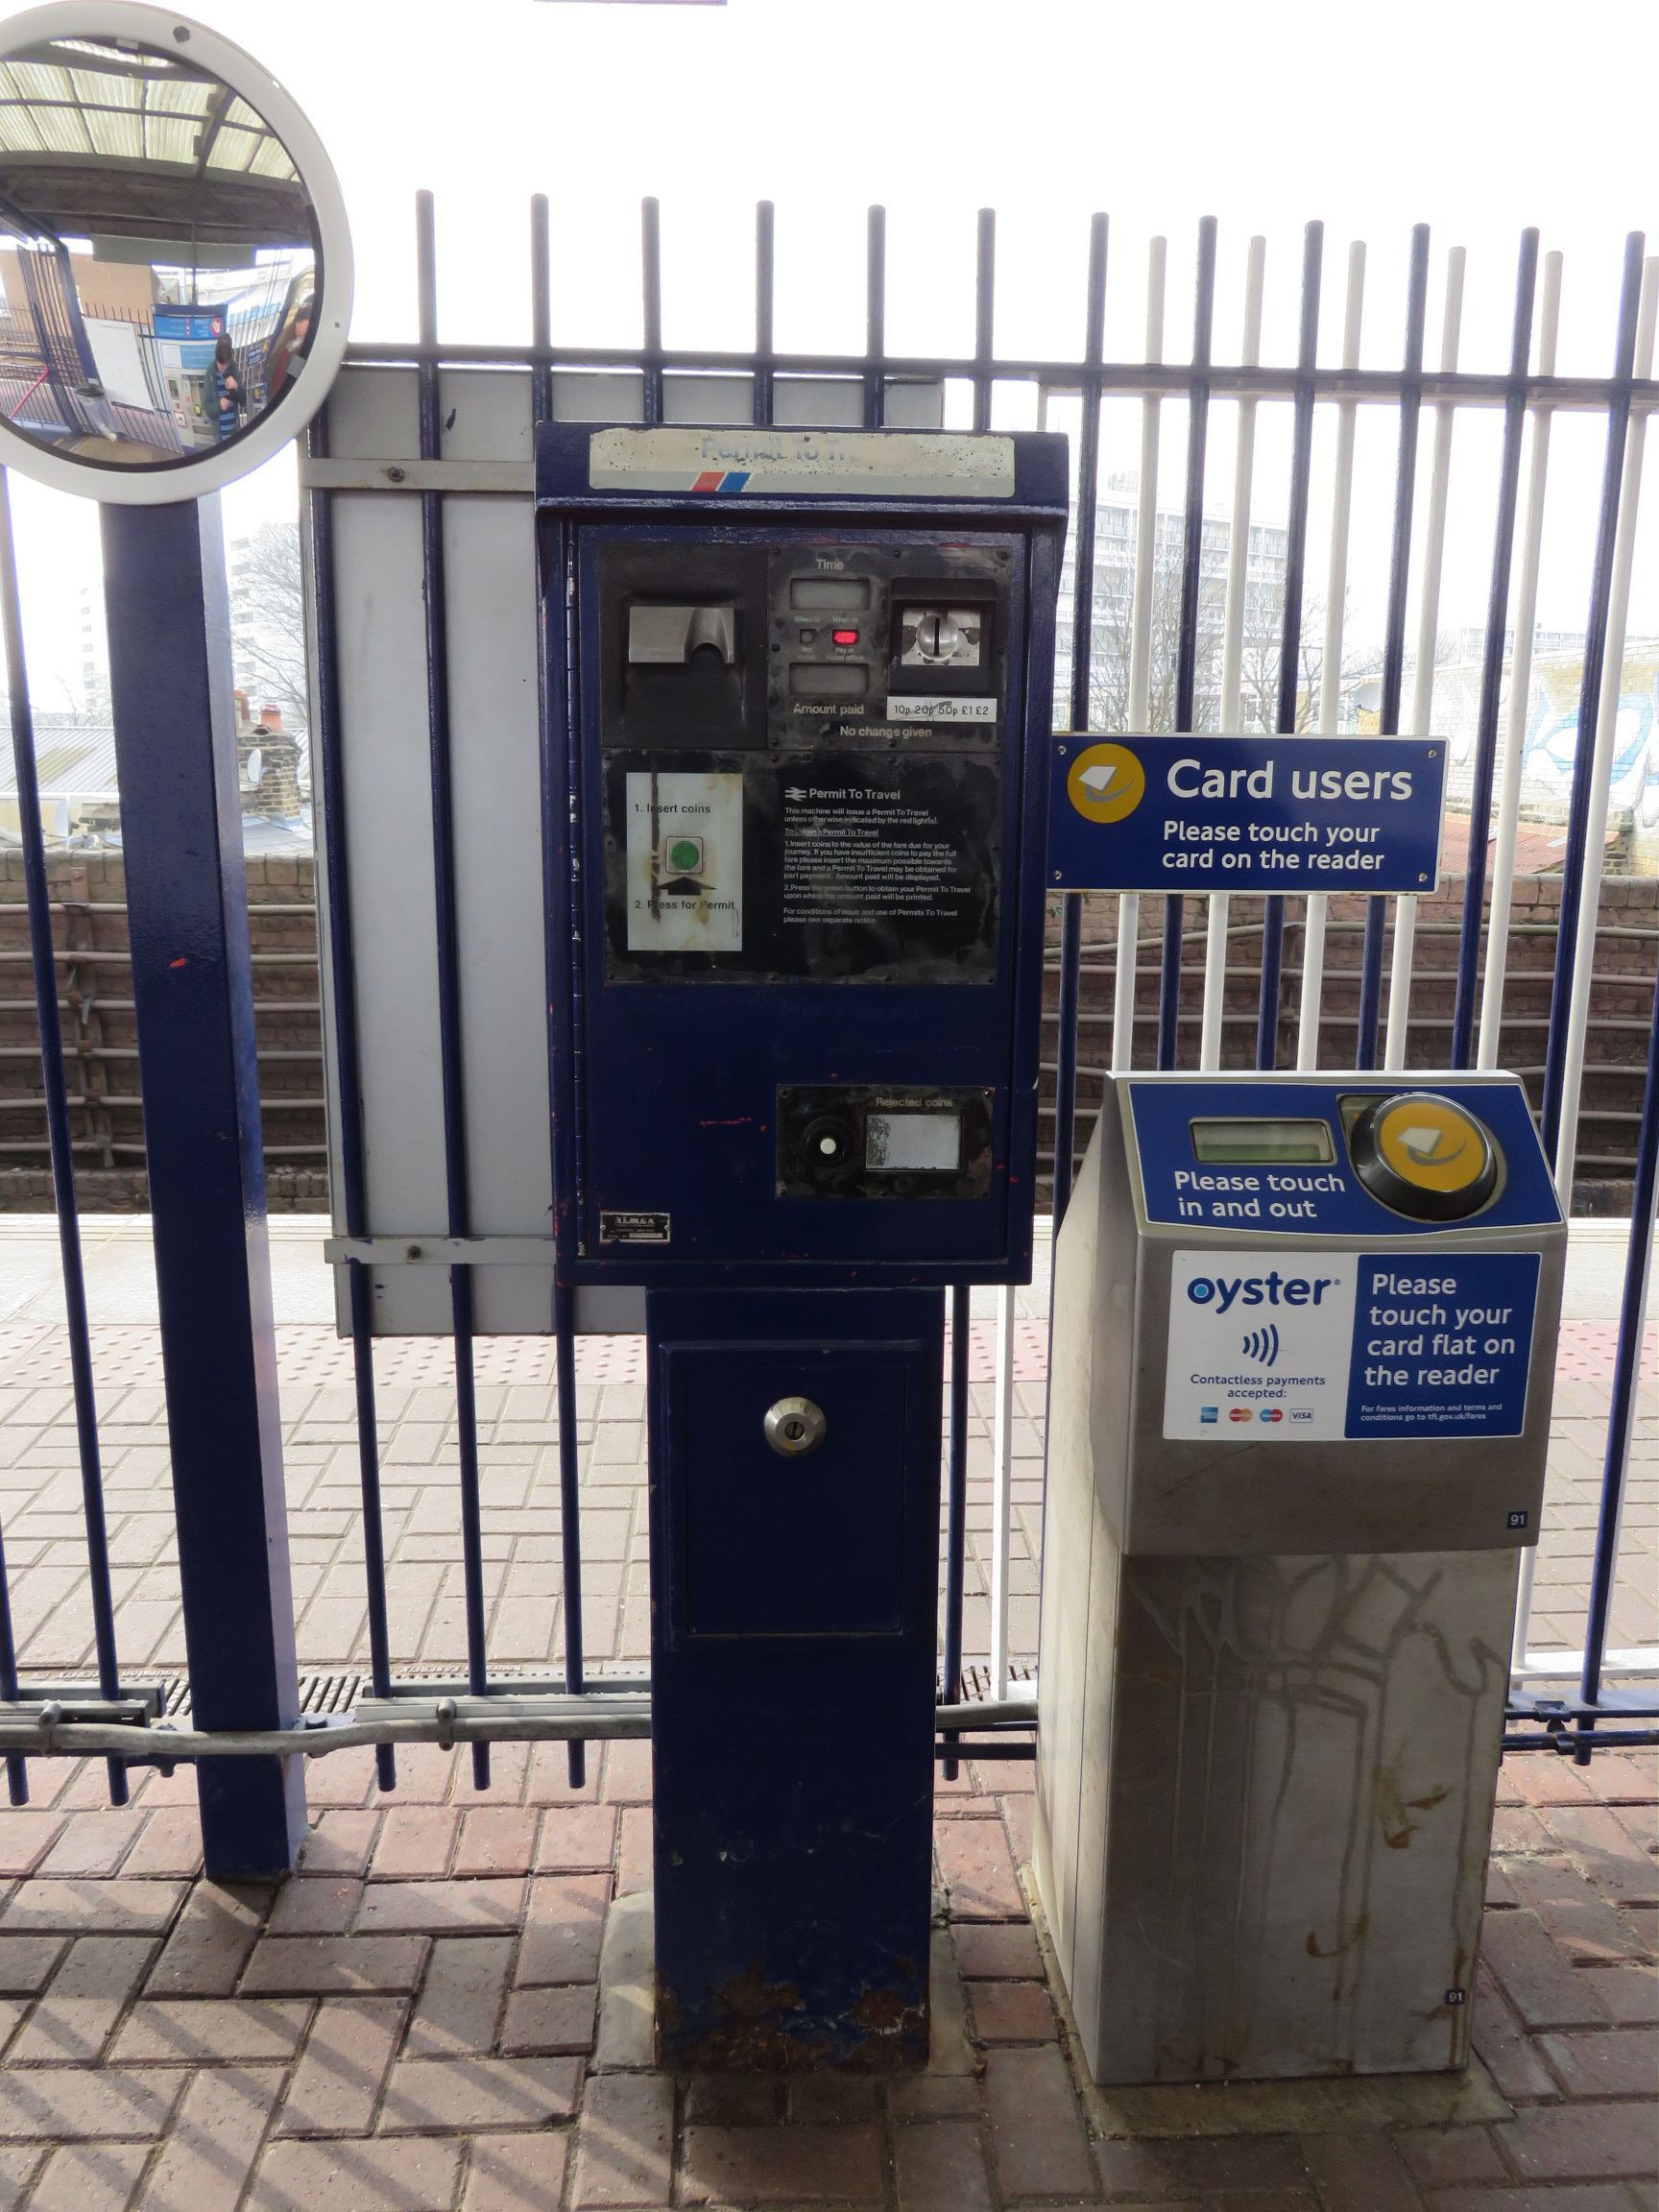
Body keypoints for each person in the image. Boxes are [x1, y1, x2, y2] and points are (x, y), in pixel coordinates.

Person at [210, 333, 242, 443]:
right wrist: (219, 405)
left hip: (235, 431)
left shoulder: (234, 370)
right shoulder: (210, 374)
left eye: (226, 365)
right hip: (221, 436)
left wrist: (237, 386)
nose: (223, 368)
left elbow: (243, 400)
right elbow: (208, 409)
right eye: (220, 365)